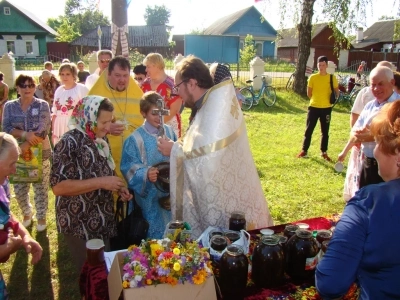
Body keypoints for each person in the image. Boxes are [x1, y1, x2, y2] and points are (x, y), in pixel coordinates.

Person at [157, 55, 274, 238]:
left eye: (178, 87)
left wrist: (173, 149)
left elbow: (206, 157)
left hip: (230, 205)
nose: (177, 93)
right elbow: (198, 142)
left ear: (192, 83)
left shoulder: (214, 108)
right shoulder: (210, 104)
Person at [316, 101, 400, 299]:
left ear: (397, 155)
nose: (376, 151)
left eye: (378, 143)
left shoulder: (369, 202)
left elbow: (330, 283)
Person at [51, 96, 132, 272]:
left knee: (106, 272)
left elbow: (106, 170)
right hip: (79, 223)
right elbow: (58, 187)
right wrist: (101, 182)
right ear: (88, 117)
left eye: (109, 121)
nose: (107, 126)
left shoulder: (100, 138)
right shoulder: (68, 142)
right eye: (103, 122)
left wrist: (119, 188)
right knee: (90, 274)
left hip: (102, 219)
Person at [121, 91, 177, 239]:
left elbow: (178, 156)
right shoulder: (135, 139)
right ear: (143, 113)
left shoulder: (170, 132)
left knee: (172, 231)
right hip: (148, 196)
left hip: (169, 193)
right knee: (152, 233)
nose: (159, 117)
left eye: (162, 112)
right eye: (154, 113)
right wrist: (145, 173)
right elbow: (128, 166)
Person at [2, 74, 51, 232]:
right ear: (17, 88)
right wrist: (25, 135)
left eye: (31, 85)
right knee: (20, 189)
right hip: (16, 157)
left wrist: (24, 145)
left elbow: (43, 130)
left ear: (35, 87)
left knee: (41, 187)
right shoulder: (10, 106)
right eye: (23, 85)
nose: (27, 88)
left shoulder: (42, 105)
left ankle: (41, 216)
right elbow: (6, 127)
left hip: (39, 152)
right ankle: (27, 213)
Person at [0, 132, 43, 298]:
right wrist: (7, 248)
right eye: (11, 164)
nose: (14, 170)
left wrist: (26, 236)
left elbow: (6, 213)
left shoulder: (2, 183)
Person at [88, 56, 143, 178]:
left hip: (131, 157)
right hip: (104, 157)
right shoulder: (95, 95)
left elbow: (144, 125)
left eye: (125, 75)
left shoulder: (137, 93)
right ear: (108, 74)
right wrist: (106, 127)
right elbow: (84, 126)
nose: (122, 80)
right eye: (117, 75)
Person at [349, 66, 399, 189]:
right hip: (367, 162)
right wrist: (358, 135)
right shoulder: (370, 106)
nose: (376, 89)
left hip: (391, 168)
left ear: (392, 83)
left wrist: (369, 135)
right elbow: (355, 130)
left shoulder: (397, 105)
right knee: (366, 198)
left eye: (380, 84)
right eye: (373, 85)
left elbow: (394, 133)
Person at [297, 56, 339, 161]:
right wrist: (317, 100)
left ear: (327, 66)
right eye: (319, 65)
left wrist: (332, 99)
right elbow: (309, 93)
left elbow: (337, 91)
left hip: (326, 108)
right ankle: (304, 150)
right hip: (314, 108)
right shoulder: (313, 77)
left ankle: (324, 152)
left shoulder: (331, 78)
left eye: (323, 65)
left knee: (325, 131)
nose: (321, 67)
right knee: (309, 130)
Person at [142, 53, 183, 138]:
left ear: (156, 66)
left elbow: (174, 110)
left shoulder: (172, 85)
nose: (146, 70)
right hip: (148, 128)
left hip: (169, 126)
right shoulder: (144, 84)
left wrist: (158, 124)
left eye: (148, 66)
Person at [52, 62, 89, 145]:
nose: (64, 77)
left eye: (68, 74)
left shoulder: (81, 88)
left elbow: (86, 109)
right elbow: (54, 111)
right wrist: (53, 130)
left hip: (74, 124)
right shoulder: (59, 90)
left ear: (74, 75)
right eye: (62, 74)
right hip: (59, 125)